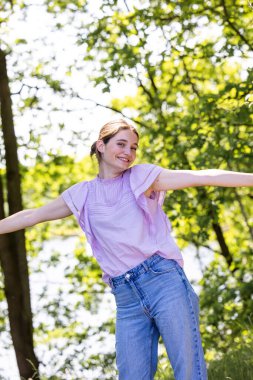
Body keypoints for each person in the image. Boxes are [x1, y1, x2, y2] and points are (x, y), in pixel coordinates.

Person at [0, 119, 252, 380]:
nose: (128, 153)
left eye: (133, 147)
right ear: (101, 146)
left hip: (164, 282)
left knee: (188, 372)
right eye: (121, 144)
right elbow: (33, 215)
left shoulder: (141, 178)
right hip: (126, 296)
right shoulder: (82, 194)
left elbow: (200, 176)